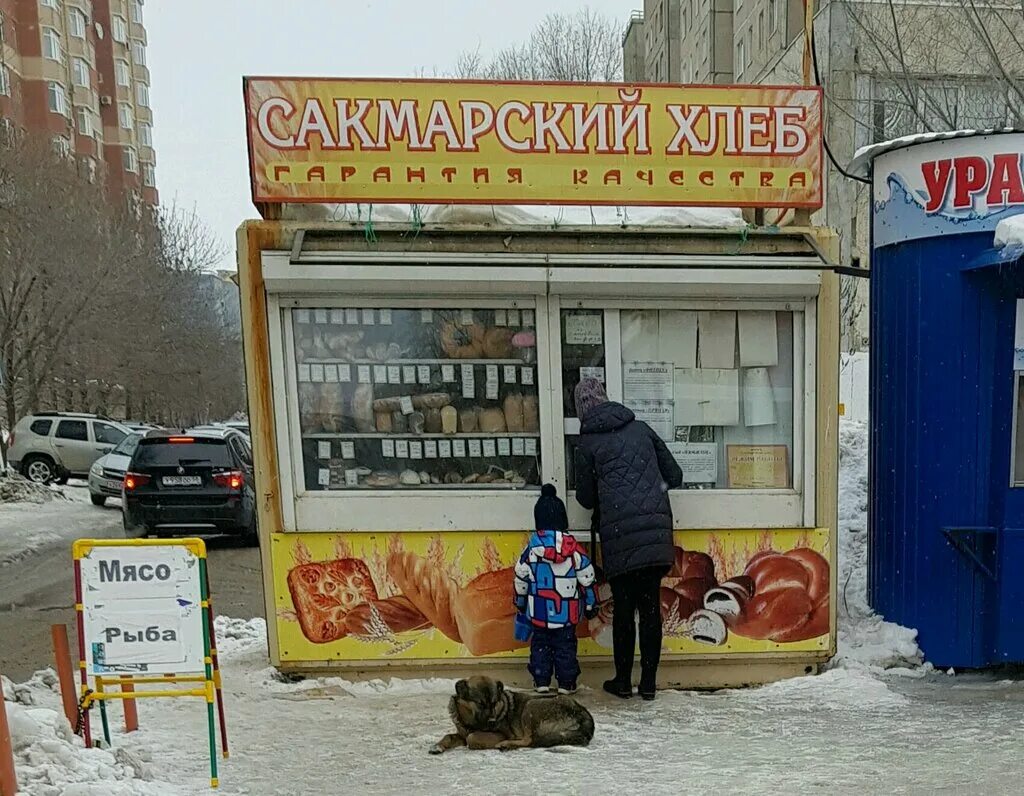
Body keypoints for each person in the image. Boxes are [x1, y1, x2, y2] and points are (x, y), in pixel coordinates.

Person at [572, 378, 683, 701]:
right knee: (650, 607)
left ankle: (622, 680)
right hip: (655, 532)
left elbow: (586, 499)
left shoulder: (588, 444)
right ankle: (648, 683)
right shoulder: (641, 429)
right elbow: (674, 475)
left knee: (624, 611)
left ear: (581, 411)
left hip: (620, 535)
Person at [514, 484, 597, 695]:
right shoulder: (574, 550)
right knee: (565, 648)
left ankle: (541, 680)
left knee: (540, 646)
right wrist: (590, 603)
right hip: (566, 613)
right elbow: (587, 577)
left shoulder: (531, 550)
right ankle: (566, 683)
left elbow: (521, 578)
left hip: (539, 611)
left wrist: (521, 602)